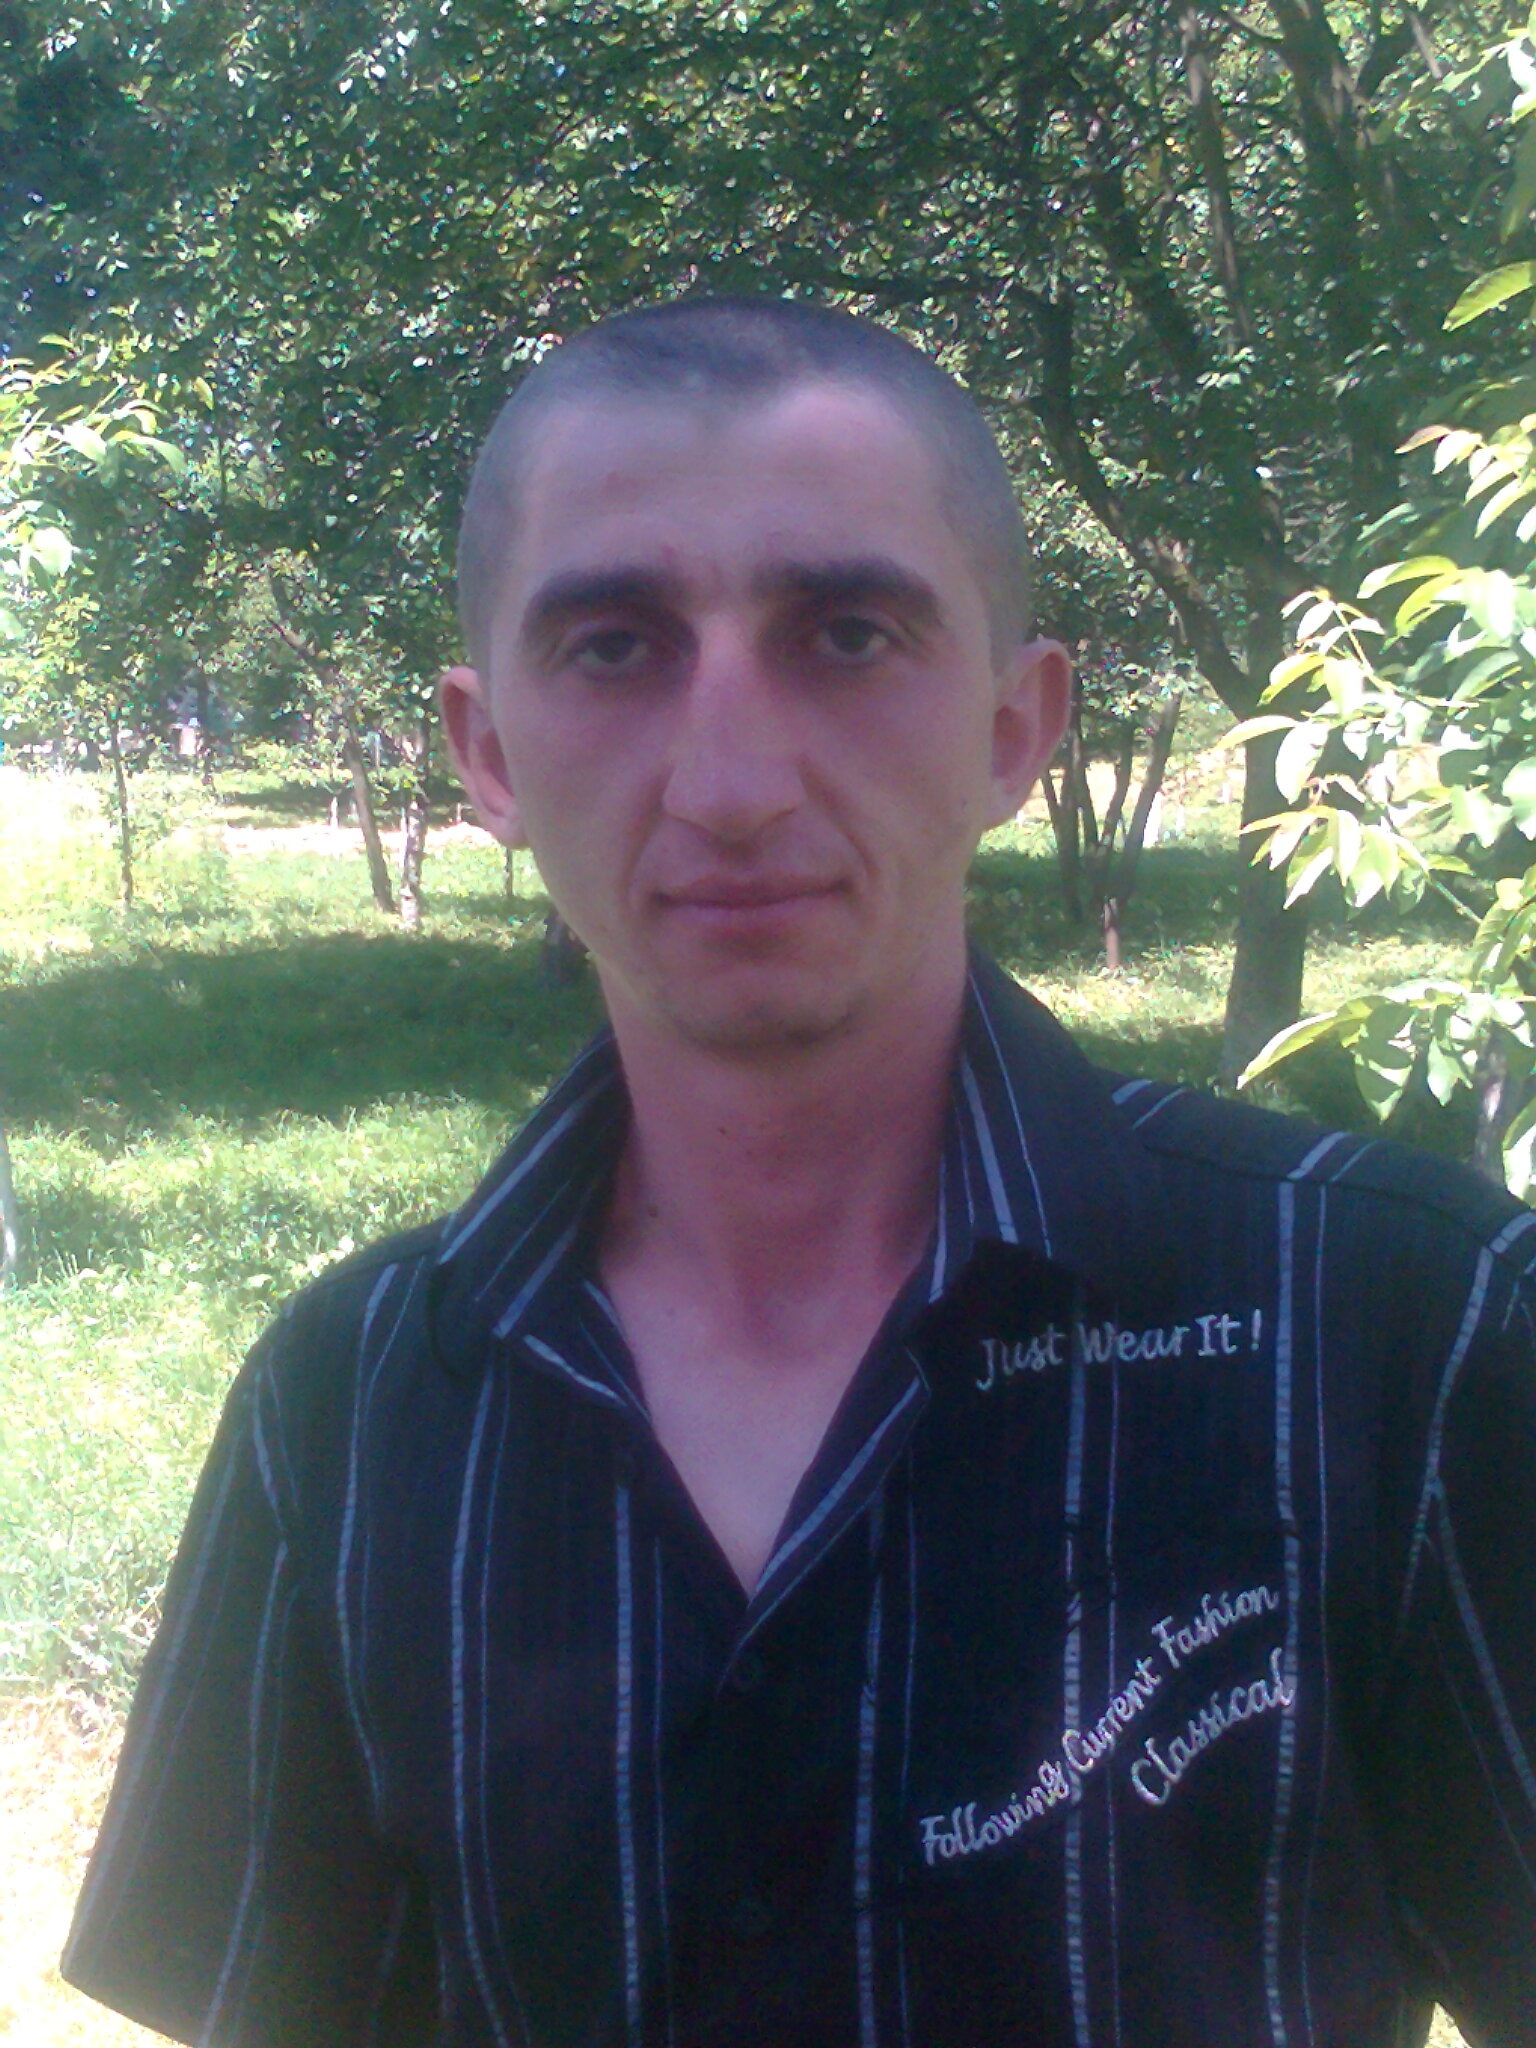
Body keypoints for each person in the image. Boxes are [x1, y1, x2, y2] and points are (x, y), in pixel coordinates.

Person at [64, 299, 1535, 2048]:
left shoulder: (1410, 1328)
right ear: (488, 755)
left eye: (845, 635)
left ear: (1014, 727)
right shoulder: (351, 1402)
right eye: (614, 647)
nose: (733, 782)